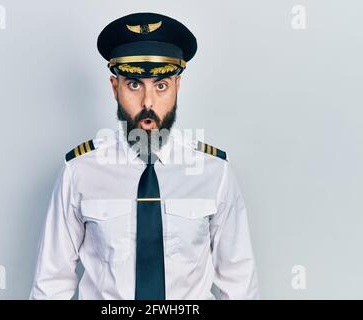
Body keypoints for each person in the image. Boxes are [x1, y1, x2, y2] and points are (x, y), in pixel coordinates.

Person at [29, 12, 259, 300]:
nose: (148, 102)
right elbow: (52, 282)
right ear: (115, 88)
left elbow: (239, 284)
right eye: (134, 84)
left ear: (177, 87)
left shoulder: (214, 172)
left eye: (161, 85)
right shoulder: (79, 171)